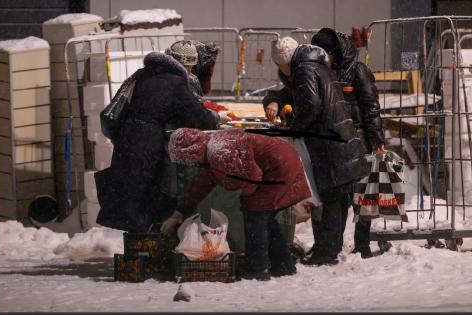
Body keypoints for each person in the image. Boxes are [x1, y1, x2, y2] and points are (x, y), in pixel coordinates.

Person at [160, 128, 313, 280]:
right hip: (283, 160)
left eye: (185, 159)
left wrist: (246, 198)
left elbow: (253, 177)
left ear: (191, 151)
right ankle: (283, 266)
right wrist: (177, 213)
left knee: (255, 216)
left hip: (278, 168)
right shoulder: (211, 151)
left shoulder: (219, 152)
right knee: (265, 219)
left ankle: (258, 270)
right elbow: (200, 185)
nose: (188, 164)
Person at [94, 51, 221, 233]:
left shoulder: (141, 74)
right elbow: (199, 116)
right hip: (148, 142)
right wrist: (215, 118)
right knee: (148, 194)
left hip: (126, 139)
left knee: (131, 193)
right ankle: (150, 243)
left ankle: (137, 244)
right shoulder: (175, 82)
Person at [269, 37, 369, 266]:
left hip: (329, 142)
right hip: (338, 137)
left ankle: (327, 252)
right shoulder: (318, 64)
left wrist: (295, 128)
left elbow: (311, 105)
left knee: (331, 196)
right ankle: (329, 248)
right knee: (338, 197)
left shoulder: (303, 69)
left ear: (284, 62)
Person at [311, 28, 392, 258]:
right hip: (338, 144)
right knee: (341, 198)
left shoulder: (357, 70)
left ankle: (362, 245)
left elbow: (370, 107)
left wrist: (376, 139)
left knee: (364, 196)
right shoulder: (326, 70)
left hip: (360, 141)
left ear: (332, 51)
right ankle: (335, 245)